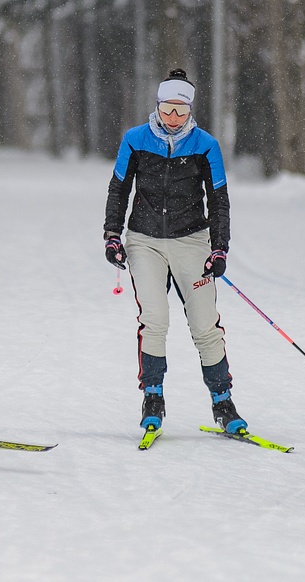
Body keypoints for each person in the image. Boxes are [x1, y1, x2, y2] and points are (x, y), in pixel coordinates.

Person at [102, 69, 246, 435]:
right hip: (144, 241)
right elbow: (118, 189)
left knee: (204, 325)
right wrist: (112, 235)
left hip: (191, 240)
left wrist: (219, 248)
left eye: (181, 111)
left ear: (190, 112)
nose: (173, 118)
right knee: (155, 320)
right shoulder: (135, 140)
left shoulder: (205, 145)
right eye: (167, 109)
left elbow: (219, 199)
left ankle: (223, 402)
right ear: (157, 106)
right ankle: (153, 398)